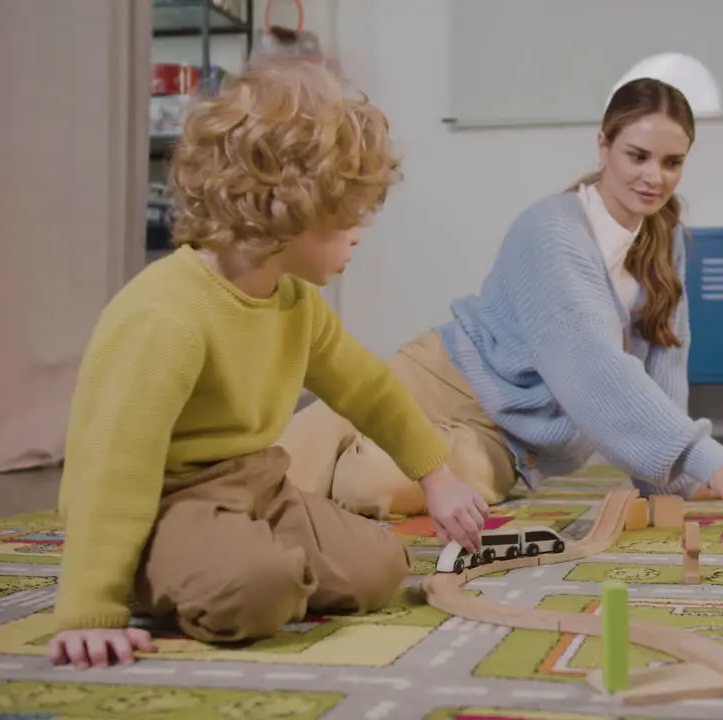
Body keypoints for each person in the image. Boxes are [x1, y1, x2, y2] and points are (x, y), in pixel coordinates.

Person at [46, 59, 488, 670]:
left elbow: (369, 389)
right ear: (286, 210)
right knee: (259, 593)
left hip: (258, 484)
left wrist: (437, 478)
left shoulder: (295, 301)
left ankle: (240, 561)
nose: (359, 237)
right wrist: (89, 609)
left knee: (382, 568)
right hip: (166, 502)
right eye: (348, 220)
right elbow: (110, 472)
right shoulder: (165, 316)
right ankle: (163, 572)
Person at [277, 76, 723, 531]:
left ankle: (334, 480)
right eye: (638, 156)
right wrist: (712, 458)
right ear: (603, 145)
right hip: (443, 374)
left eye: (672, 162)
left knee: (367, 483)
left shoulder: (666, 240)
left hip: (508, 441)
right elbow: (593, 363)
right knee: (296, 445)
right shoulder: (554, 230)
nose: (655, 177)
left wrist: (669, 483)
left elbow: (667, 358)